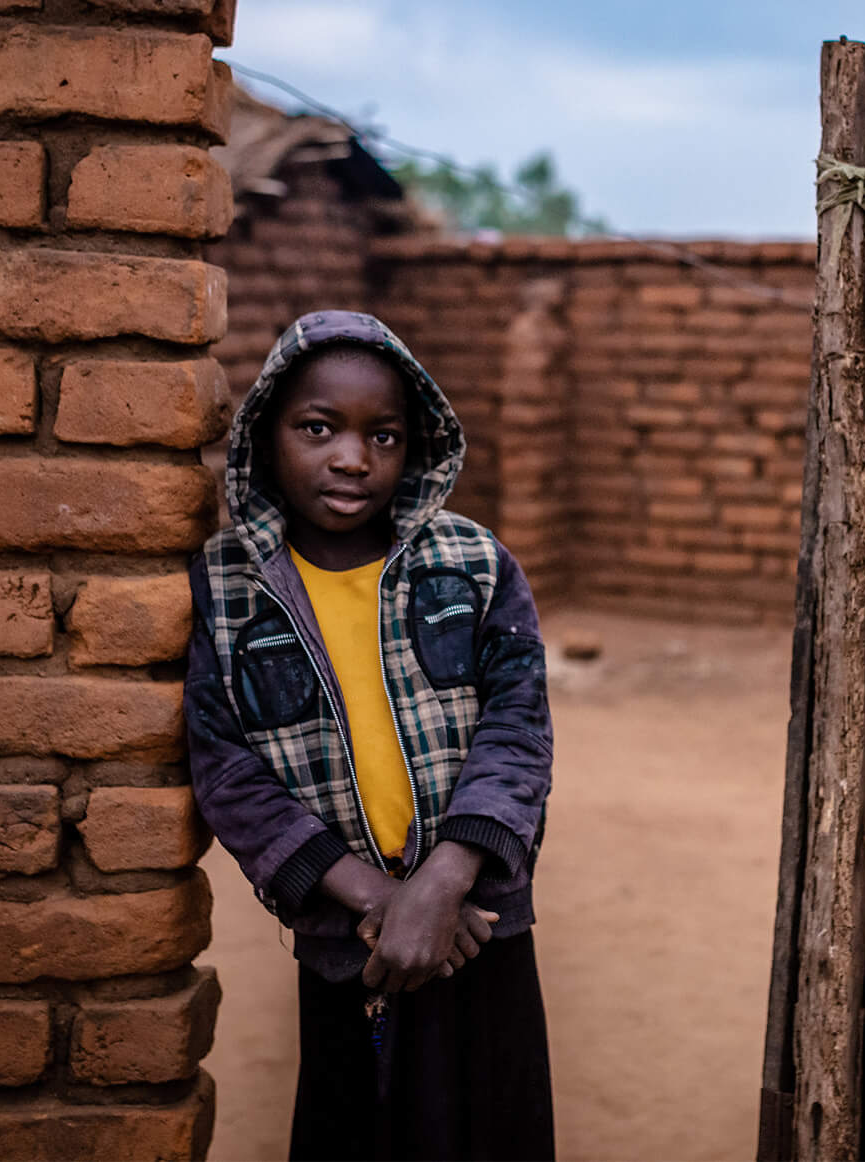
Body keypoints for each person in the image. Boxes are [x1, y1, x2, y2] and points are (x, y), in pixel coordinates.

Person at [183, 310, 554, 1162]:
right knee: (356, 1129)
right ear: (265, 435)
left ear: (415, 447)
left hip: (481, 925)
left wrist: (446, 880)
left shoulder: (475, 562)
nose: (352, 458)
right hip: (346, 938)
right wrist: (384, 902)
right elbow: (228, 770)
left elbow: (518, 729)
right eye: (319, 428)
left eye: (382, 435)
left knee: (493, 1126)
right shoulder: (227, 589)